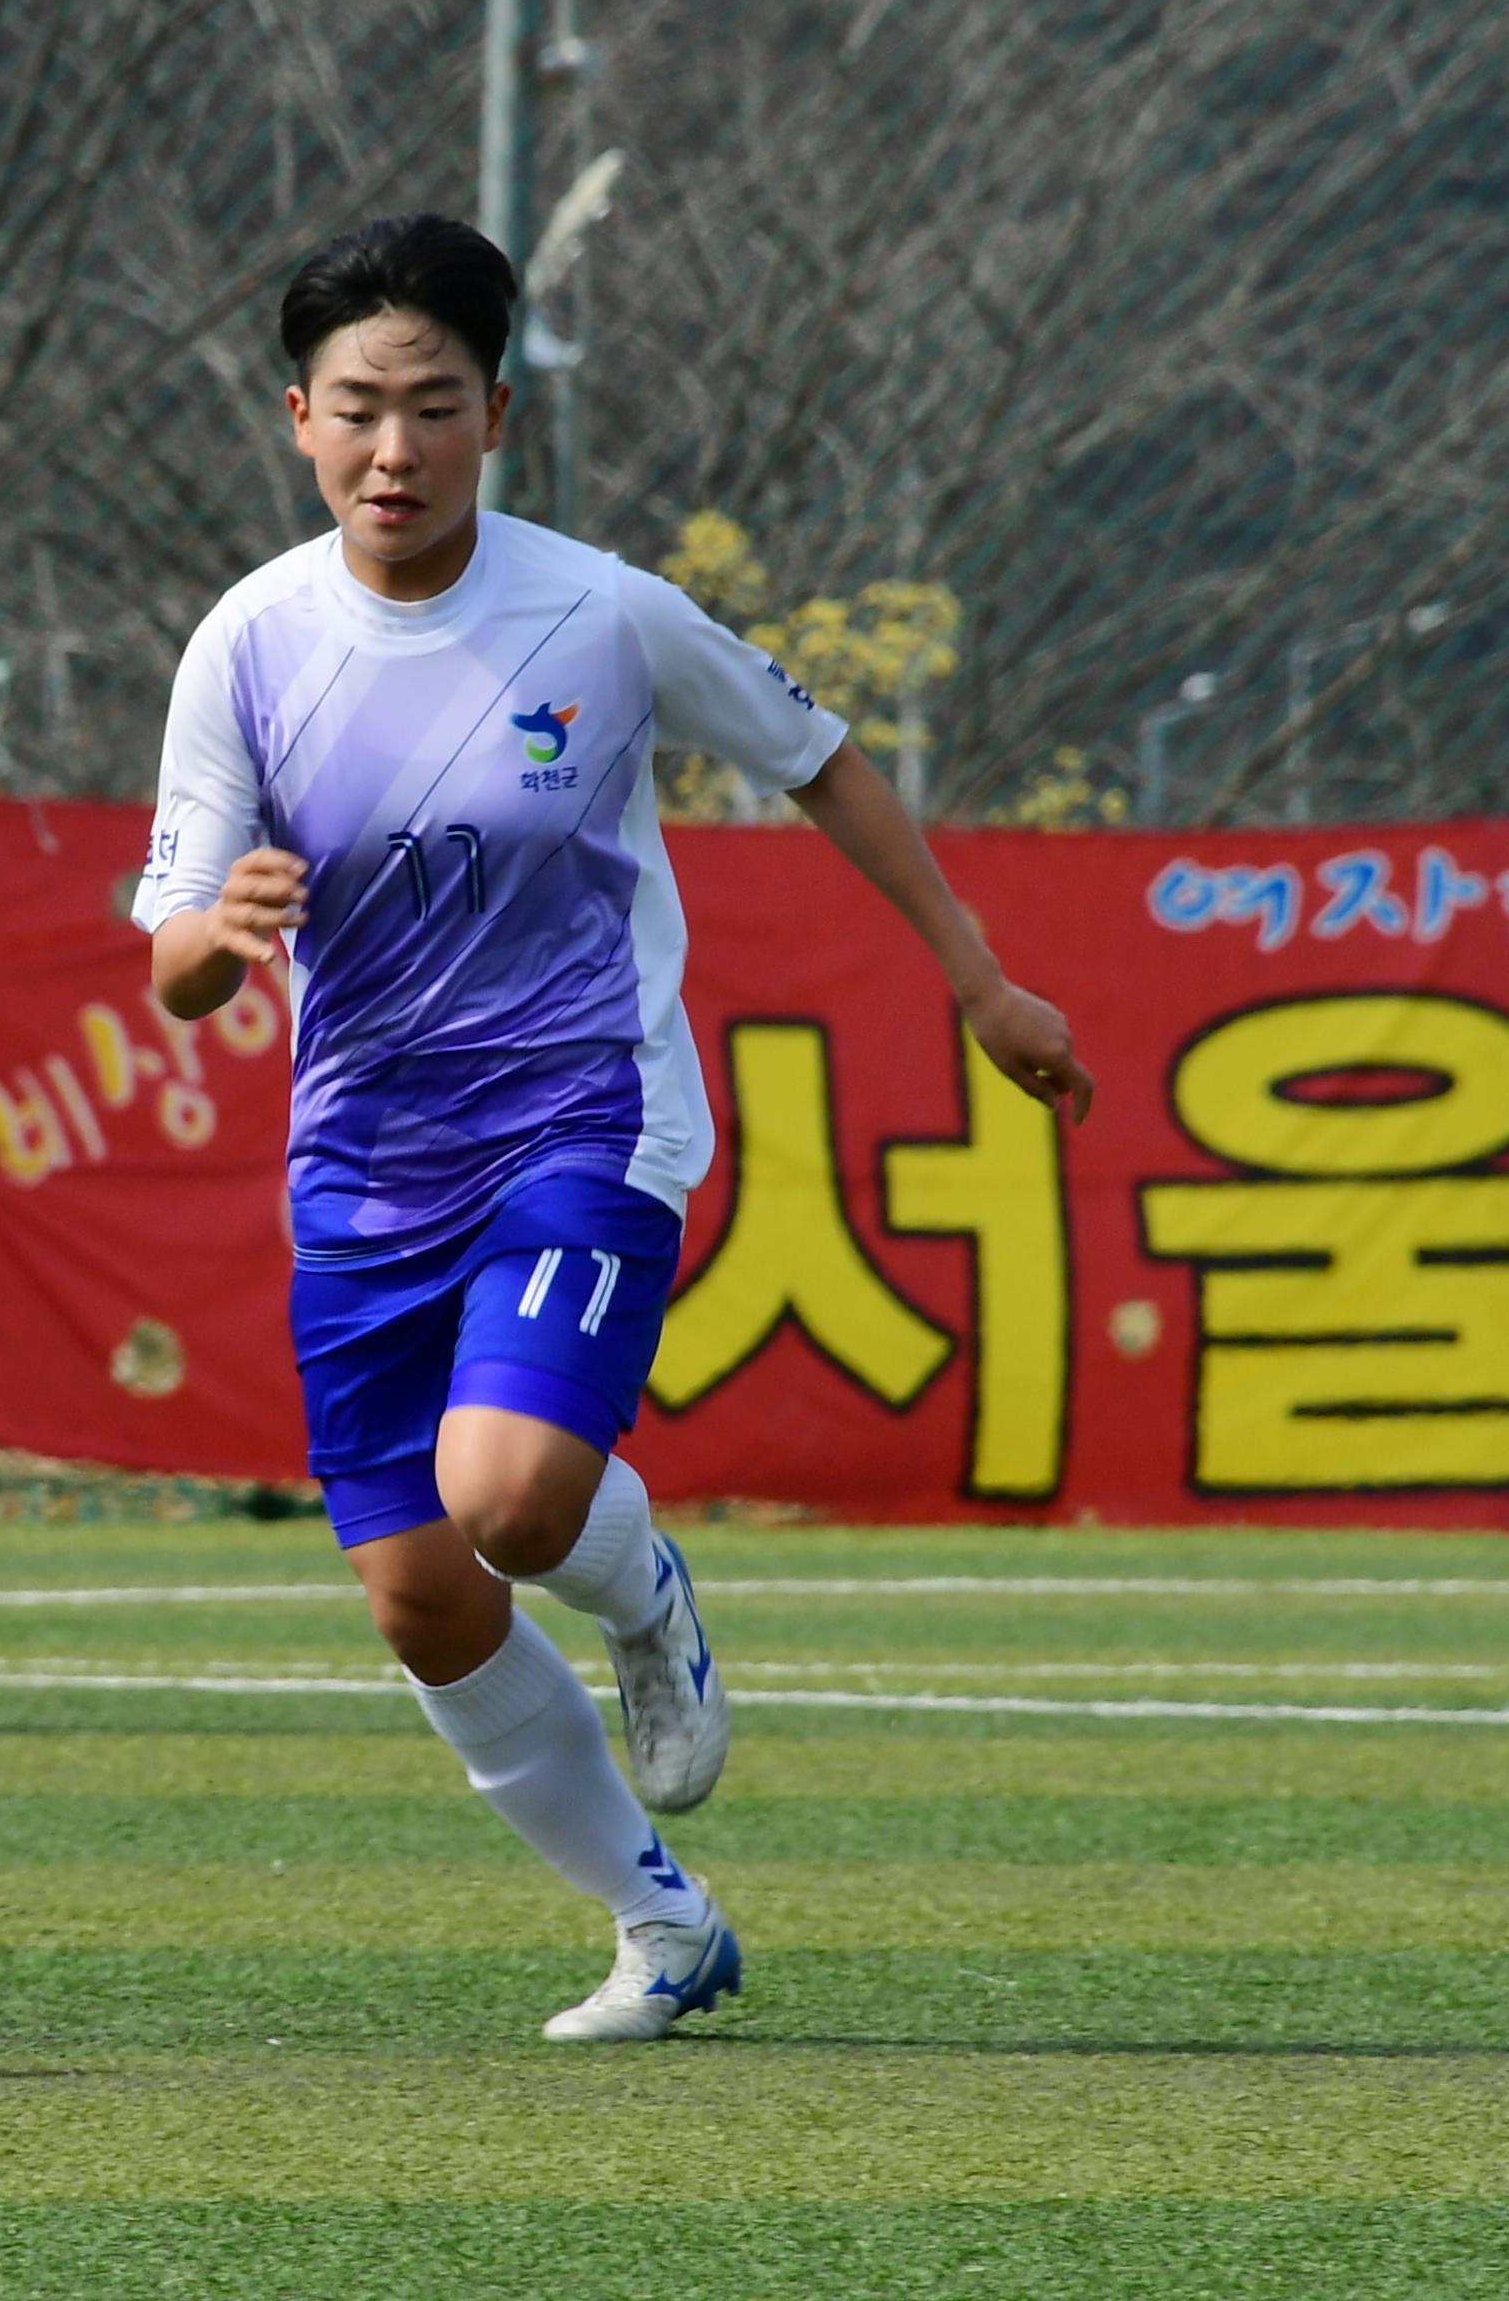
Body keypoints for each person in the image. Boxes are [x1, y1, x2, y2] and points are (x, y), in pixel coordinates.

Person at [136, 216, 1094, 2041]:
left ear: (496, 415)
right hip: (359, 1166)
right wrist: (220, 933)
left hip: (585, 1114)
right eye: (356, 410)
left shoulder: (599, 611)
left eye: (430, 406)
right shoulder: (245, 645)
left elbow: (818, 760)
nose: (391, 449)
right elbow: (176, 959)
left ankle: (641, 1590)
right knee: (420, 1597)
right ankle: (660, 1926)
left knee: (506, 1500)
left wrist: (975, 980)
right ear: (295, 420)